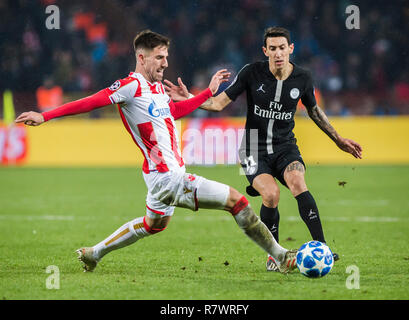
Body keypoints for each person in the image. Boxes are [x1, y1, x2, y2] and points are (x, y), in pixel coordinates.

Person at [15, 30, 298, 274]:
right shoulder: (131, 86)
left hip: (160, 176)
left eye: (166, 56)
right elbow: (92, 101)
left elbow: (176, 110)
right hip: (166, 177)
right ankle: (281, 256)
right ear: (142, 58)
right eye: (160, 57)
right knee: (238, 202)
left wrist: (205, 93)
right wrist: (46, 116)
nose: (166, 63)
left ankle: (94, 253)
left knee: (154, 224)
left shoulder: (157, 90)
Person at [164, 27, 362, 272]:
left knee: (298, 182)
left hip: (285, 144)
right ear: (265, 51)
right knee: (270, 195)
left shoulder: (303, 78)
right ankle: (275, 255)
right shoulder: (251, 73)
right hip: (253, 147)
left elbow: (314, 111)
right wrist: (189, 99)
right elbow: (217, 103)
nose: (278, 53)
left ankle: (321, 247)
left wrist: (338, 139)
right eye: (273, 49)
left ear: (290, 49)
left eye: (282, 48)